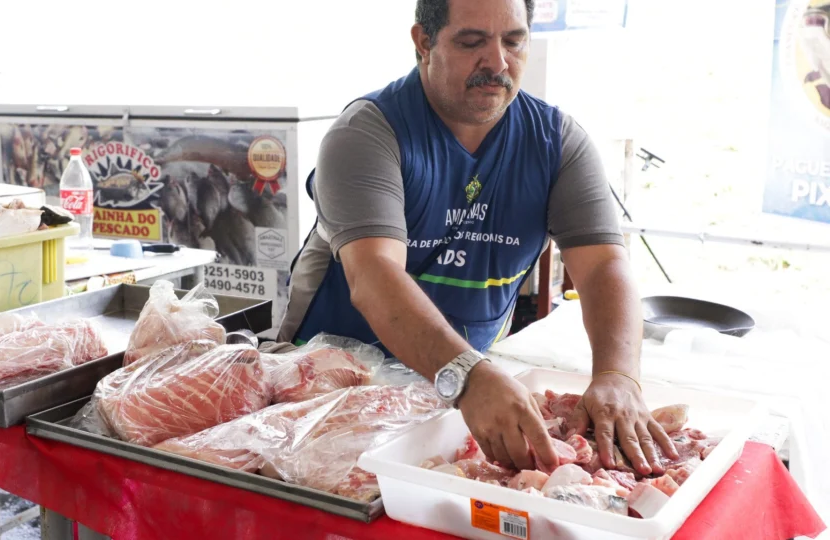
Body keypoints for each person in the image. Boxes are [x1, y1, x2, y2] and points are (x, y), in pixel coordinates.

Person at [277, 0, 679, 475]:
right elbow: (373, 274)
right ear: (424, 42)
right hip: (330, 392)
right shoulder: (367, 133)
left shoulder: (556, 143)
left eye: (514, 41)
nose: (498, 62)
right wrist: (465, 374)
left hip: (454, 397)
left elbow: (603, 266)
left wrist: (617, 374)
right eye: (472, 42)